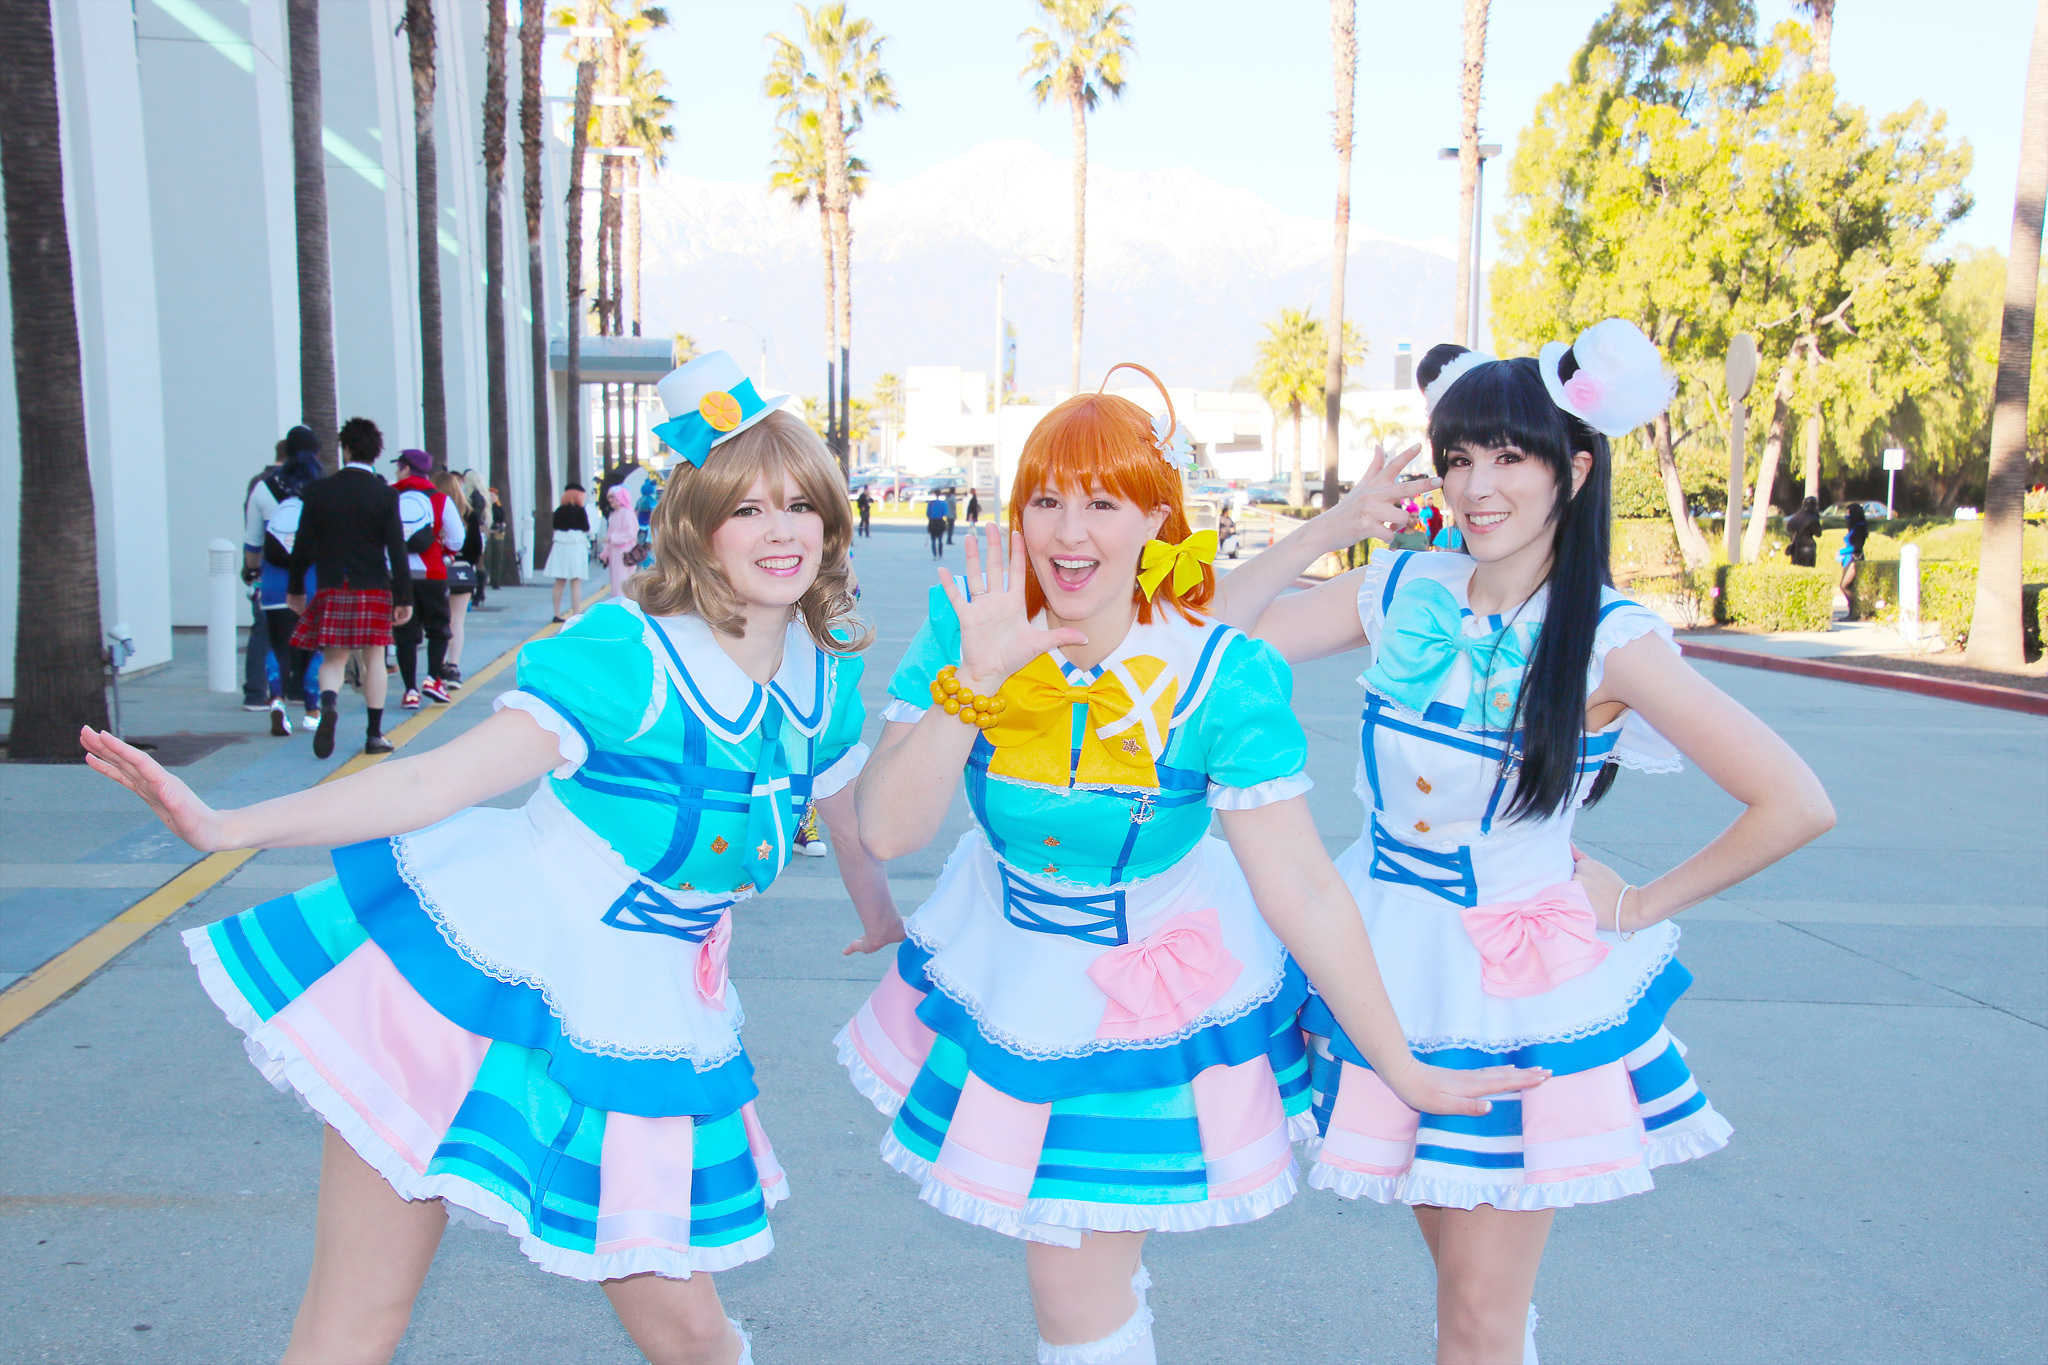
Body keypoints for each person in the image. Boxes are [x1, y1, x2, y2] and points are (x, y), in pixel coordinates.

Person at [78, 351, 902, 1365]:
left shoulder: (823, 682)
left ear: (830, 522)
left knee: (690, 1335)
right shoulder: (629, 657)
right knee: (357, 1320)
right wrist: (225, 826)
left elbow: (843, 815)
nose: (780, 532)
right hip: (468, 981)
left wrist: (881, 913)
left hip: (642, 1011)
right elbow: (432, 782)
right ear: (698, 526)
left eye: (799, 505)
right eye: (747, 509)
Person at [842, 364, 1541, 1365]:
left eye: (1102, 503)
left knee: (1071, 1278)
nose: (1069, 533)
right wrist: (976, 680)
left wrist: (1398, 1062)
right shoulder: (973, 623)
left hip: (1148, 999)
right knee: (1073, 1281)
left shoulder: (1219, 672)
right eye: (1046, 501)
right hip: (1006, 973)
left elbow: (1302, 887)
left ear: (1156, 518)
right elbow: (885, 830)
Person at [1210, 321, 1836, 1365]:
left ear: (1573, 470)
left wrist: (1637, 905)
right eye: (1458, 457)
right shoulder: (1400, 587)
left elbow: (1794, 801)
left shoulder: (1611, 637)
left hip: (1509, 988)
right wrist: (1333, 526)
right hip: (1381, 959)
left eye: (1508, 456)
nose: (1476, 485)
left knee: (1475, 1315)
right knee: (1468, 1297)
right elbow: (1207, 649)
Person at [288, 417, 413, 759]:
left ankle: (329, 704)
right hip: (373, 586)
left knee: (334, 657)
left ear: (345, 449)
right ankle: (374, 734)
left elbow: (302, 546)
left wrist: (296, 588)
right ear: (376, 452)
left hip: (333, 584)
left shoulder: (319, 491)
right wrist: (404, 597)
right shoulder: (385, 494)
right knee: (375, 659)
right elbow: (396, 550)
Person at [258, 436, 327, 736]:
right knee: (314, 647)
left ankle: (277, 700)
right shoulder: (321, 495)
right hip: (311, 582)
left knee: (278, 644)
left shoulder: (263, 490)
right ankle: (312, 712)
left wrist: (251, 571)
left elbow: (252, 541)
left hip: (274, 581)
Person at [391, 450, 464, 709]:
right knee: (438, 628)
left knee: (405, 634)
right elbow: (457, 537)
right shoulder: (439, 499)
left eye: (398, 467)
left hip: (398, 575)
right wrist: (446, 553)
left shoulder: (390, 496)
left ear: (405, 468)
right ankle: (433, 679)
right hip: (432, 573)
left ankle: (410, 691)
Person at [242, 438, 294, 714]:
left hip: (263, 568)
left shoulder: (257, 483)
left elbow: (252, 533)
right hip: (294, 570)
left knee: (262, 630)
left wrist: (249, 568)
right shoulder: (296, 482)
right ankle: (294, 691)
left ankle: (256, 692)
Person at [436, 468, 479, 688]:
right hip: (462, 572)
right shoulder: (468, 513)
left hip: (436, 571)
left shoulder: (433, 509)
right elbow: (476, 548)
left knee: (437, 621)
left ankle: (439, 665)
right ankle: (453, 667)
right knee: (457, 620)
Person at [546, 483, 593, 621]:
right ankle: (576, 614)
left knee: (559, 581)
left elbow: (555, 527)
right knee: (576, 581)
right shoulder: (580, 511)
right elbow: (586, 527)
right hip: (576, 546)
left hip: (560, 546)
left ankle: (556, 613)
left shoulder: (559, 510)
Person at [599, 484, 639, 601]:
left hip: (625, 552)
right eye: (609, 497)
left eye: (613, 496)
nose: (610, 499)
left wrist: (613, 538)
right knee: (617, 582)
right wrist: (606, 552)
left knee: (622, 582)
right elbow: (610, 534)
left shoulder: (627, 513)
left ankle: (622, 605)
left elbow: (630, 533)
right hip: (616, 552)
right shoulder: (615, 514)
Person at [1840, 501, 1869, 597]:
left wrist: (1841, 552)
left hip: (1854, 559)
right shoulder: (1854, 527)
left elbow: (1857, 546)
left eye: (1848, 513)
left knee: (1844, 585)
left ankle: (1855, 603)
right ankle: (1852, 604)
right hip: (1848, 559)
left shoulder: (1859, 527)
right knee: (1847, 586)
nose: (1846, 516)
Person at [1785, 495, 1821, 568]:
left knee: (1796, 569)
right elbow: (1818, 533)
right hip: (1808, 547)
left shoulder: (1796, 516)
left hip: (1796, 547)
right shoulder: (1812, 518)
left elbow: (1788, 529)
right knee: (1808, 570)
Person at [924, 488, 947, 559]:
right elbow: (945, 513)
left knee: (933, 540)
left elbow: (927, 513)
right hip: (940, 522)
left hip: (932, 522)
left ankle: (934, 554)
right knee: (940, 539)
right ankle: (940, 554)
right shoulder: (943, 503)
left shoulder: (931, 504)